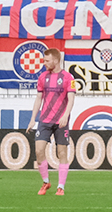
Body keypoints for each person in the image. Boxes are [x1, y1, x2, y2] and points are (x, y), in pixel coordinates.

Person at [26, 48, 76, 196]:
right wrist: (32, 119)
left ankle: (61, 187)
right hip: (45, 120)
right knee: (39, 150)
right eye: (44, 60)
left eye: (47, 61)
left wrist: (65, 115)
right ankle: (46, 182)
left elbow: (71, 98)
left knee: (62, 152)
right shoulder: (42, 77)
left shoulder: (68, 77)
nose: (44, 63)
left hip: (61, 120)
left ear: (56, 60)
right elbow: (39, 98)